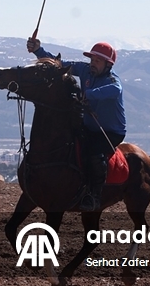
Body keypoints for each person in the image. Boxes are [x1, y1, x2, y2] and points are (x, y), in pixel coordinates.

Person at [27, 36, 126, 211]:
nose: (93, 63)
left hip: (110, 132)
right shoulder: (85, 69)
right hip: (88, 127)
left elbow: (115, 90)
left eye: (98, 61)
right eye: (92, 59)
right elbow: (59, 64)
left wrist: (89, 94)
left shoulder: (112, 81)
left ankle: (94, 195)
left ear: (108, 65)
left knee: (93, 152)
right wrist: (38, 50)